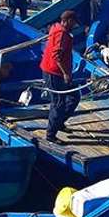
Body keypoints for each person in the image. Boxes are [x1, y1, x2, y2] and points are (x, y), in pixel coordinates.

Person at [41, 9, 79, 142]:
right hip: (54, 72)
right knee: (58, 103)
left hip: (57, 71)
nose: (74, 26)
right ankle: (50, 135)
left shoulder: (55, 28)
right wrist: (65, 73)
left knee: (74, 97)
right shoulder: (61, 34)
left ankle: (59, 122)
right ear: (68, 21)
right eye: (73, 23)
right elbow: (57, 56)